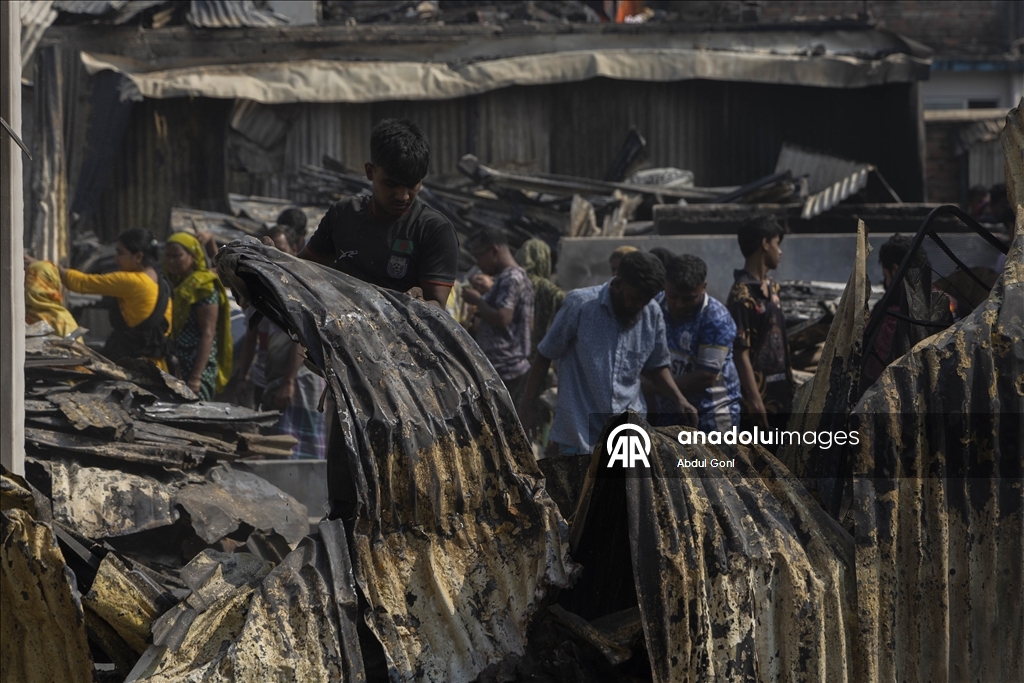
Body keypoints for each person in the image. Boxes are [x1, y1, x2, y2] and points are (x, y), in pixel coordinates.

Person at [518, 251, 697, 513]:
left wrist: (680, 399)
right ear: (618, 281)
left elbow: (657, 366)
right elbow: (544, 355)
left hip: (628, 434)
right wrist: (527, 407)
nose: (639, 306)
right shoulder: (580, 305)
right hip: (578, 432)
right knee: (574, 513)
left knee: (622, 514)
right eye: (634, 298)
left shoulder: (652, 313)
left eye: (645, 301)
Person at [298, 118, 459, 308]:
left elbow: (436, 308)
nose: (403, 195)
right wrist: (270, 258)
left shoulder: (434, 229)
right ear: (370, 171)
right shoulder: (342, 215)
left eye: (412, 184)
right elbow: (302, 270)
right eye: (391, 184)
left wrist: (418, 303)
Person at [48, 228, 172, 369]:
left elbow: (82, 283)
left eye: (120, 253)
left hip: (136, 367)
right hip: (158, 367)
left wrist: (47, 267)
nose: (115, 259)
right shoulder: (161, 283)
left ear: (138, 257)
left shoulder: (133, 281)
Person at [649, 254, 741, 432]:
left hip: (711, 414)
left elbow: (706, 376)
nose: (679, 304)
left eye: (688, 298)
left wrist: (655, 387)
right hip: (668, 415)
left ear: (703, 288)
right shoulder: (654, 307)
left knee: (713, 460)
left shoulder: (715, 318)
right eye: (673, 296)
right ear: (665, 285)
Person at [727, 216, 794, 430]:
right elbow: (740, 352)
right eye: (777, 243)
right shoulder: (742, 295)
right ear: (765, 244)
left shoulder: (773, 288)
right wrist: (755, 402)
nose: (780, 251)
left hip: (782, 395)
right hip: (759, 402)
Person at [461, 228, 534, 402]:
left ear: (494, 251)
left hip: (506, 369)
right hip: (502, 368)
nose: (478, 264)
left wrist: (478, 300)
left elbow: (503, 318)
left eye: (479, 256)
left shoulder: (511, 278)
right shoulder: (508, 278)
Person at [164, 232, 233, 399]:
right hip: (178, 364)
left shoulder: (204, 286)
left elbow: (208, 334)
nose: (172, 261)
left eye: (177, 256)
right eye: (168, 256)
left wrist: (195, 378)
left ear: (192, 256)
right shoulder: (177, 283)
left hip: (197, 367)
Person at [514, 238, 565, 359]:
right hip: (538, 354)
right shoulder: (545, 286)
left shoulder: (511, 280)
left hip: (513, 354)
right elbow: (565, 301)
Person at [23, 259, 79, 338]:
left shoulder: (63, 321)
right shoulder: (18, 311)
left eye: (39, 284)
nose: (33, 288)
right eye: (29, 281)